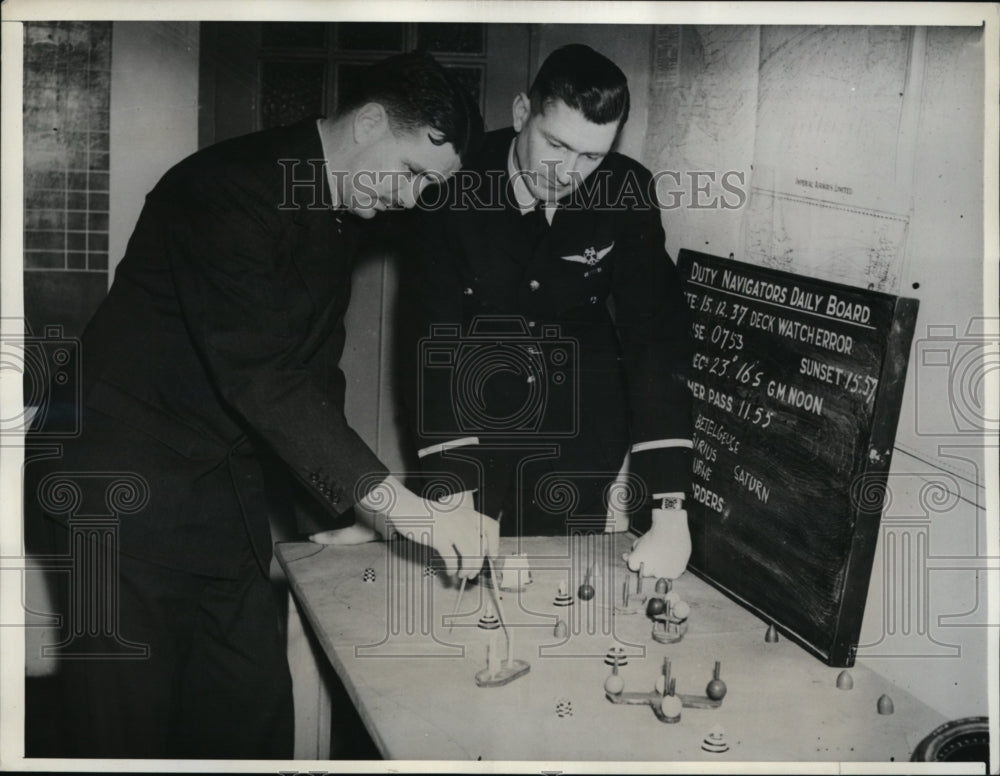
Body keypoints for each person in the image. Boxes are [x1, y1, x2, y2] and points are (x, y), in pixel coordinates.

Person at [24, 51, 496, 759]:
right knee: (125, 732)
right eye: (413, 173)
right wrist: (404, 506)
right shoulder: (224, 189)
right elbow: (264, 379)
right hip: (115, 491)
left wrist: (349, 514)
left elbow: (311, 377)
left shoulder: (335, 211)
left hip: (218, 495)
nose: (414, 197)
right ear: (369, 122)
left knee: (249, 718)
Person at [397, 44, 693, 540]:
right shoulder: (450, 183)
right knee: (461, 576)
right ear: (520, 114)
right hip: (472, 417)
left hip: (581, 430)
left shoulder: (627, 191)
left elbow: (656, 339)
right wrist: (452, 487)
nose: (569, 172)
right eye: (556, 145)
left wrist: (668, 507)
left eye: (592, 155)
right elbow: (429, 340)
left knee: (557, 585)